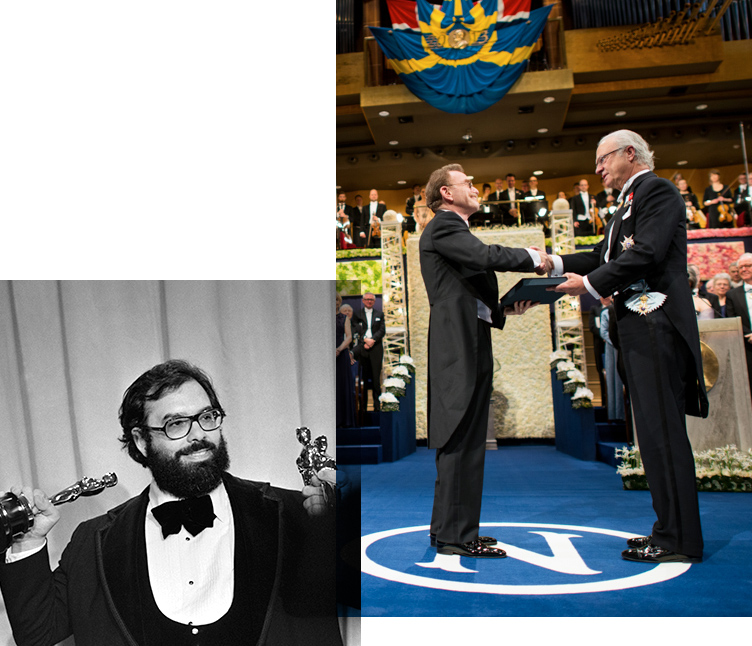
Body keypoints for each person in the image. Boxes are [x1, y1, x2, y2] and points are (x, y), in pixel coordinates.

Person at [0, 360, 341, 645]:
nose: (198, 436)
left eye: (207, 417)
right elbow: (38, 634)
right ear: (141, 440)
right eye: (176, 424)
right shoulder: (93, 543)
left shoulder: (297, 515)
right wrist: (29, 540)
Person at [548, 129, 708, 564]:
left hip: (656, 327)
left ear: (630, 154)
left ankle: (681, 540)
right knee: (651, 436)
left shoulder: (657, 190)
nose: (597, 169)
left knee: (664, 435)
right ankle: (666, 528)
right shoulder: (626, 205)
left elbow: (649, 253)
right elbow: (603, 255)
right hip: (637, 330)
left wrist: (591, 284)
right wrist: (554, 264)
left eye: (603, 160)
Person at [419, 163, 545, 558]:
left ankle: (447, 530)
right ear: (446, 193)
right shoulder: (444, 226)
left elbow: (465, 295)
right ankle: (458, 536)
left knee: (464, 438)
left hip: (466, 340)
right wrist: (531, 256)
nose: (475, 188)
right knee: (462, 438)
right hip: (459, 348)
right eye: (467, 184)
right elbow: (484, 255)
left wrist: (504, 310)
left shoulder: (452, 230)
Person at [725, 253, 752, 404]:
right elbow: (732, 319)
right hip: (746, 347)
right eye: (741, 267)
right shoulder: (732, 295)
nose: (743, 269)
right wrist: (748, 334)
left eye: (747, 266)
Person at [352, 293, 385, 412]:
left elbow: (382, 330)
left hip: (376, 348)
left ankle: (377, 407)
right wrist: (365, 340)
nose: (369, 301)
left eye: (371, 300)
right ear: (363, 301)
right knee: (364, 379)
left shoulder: (379, 314)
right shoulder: (357, 314)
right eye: (367, 299)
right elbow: (355, 329)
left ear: (374, 301)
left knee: (376, 380)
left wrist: (373, 340)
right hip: (363, 348)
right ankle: (364, 408)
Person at [600, 297, 625, 421]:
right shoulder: (607, 312)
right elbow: (604, 332)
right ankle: (616, 413)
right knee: (614, 380)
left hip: (624, 347)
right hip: (613, 348)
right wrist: (617, 344)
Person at [336, 294, 356, 428]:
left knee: (341, 386)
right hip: (323, 356)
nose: (334, 302)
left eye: (336, 300)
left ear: (339, 302)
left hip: (340, 354)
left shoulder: (344, 318)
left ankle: (343, 420)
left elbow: (349, 337)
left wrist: (338, 350)